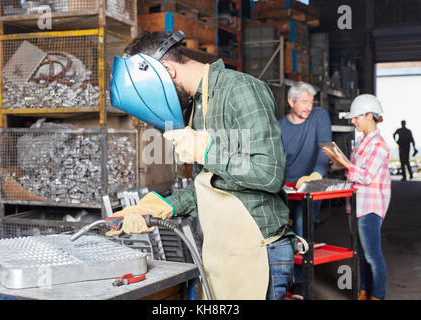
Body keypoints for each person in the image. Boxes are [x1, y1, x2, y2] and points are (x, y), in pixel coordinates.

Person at [108, 31, 298, 300]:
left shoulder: (241, 90)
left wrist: (206, 150)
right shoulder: (198, 106)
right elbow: (206, 185)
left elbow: (270, 174)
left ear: (168, 71)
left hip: (258, 252)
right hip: (222, 252)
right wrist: (161, 206)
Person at [323, 94, 391, 300]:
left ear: (370, 116)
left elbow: (365, 176)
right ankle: (363, 290)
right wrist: (337, 161)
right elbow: (354, 171)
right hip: (356, 204)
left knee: (373, 256)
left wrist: (343, 162)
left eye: (356, 117)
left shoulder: (378, 144)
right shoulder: (361, 141)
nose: (353, 121)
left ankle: (377, 295)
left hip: (370, 207)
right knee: (361, 254)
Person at [279, 81, 332, 297]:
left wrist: (317, 174)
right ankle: (282, 279)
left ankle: (301, 282)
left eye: (311, 102)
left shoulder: (319, 117)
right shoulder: (280, 127)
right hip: (285, 187)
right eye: (303, 102)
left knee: (302, 229)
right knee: (281, 233)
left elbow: (325, 147)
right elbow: (277, 159)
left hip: (310, 185)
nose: (308, 107)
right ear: (290, 102)